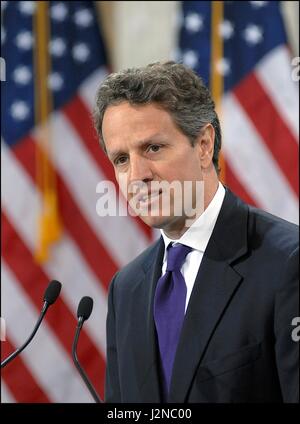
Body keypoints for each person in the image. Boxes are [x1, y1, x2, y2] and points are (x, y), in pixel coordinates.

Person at [93, 62, 299, 403]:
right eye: (121, 160)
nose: (136, 176)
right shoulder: (126, 289)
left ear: (204, 145)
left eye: (152, 148)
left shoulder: (287, 264)